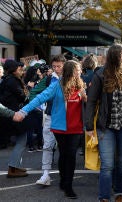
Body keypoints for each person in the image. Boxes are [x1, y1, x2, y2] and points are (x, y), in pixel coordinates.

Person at [85, 43, 122, 202]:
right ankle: (104, 197)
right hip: (106, 127)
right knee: (107, 165)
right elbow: (91, 101)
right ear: (115, 57)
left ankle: (119, 194)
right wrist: (89, 126)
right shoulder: (100, 75)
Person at [19, 60, 86, 199]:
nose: (80, 72)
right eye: (77, 70)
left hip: (76, 127)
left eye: (80, 70)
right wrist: (23, 111)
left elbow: (89, 102)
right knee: (64, 155)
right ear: (70, 72)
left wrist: (86, 98)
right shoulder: (56, 86)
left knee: (71, 156)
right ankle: (64, 179)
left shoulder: (81, 85)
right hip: (60, 127)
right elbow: (39, 98)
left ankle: (68, 186)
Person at [33, 54, 66, 186]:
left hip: (64, 117)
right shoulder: (48, 79)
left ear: (64, 66)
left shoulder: (71, 79)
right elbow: (36, 93)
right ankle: (45, 173)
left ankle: (65, 174)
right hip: (50, 115)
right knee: (47, 145)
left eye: (59, 66)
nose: (56, 69)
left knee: (64, 147)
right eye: (54, 66)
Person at [0, 59, 30, 178]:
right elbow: (23, 97)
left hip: (9, 115)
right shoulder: (13, 81)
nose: (21, 70)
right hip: (14, 115)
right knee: (22, 140)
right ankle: (13, 168)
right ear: (13, 70)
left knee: (20, 140)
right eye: (19, 68)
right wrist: (29, 88)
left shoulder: (6, 80)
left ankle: (15, 166)